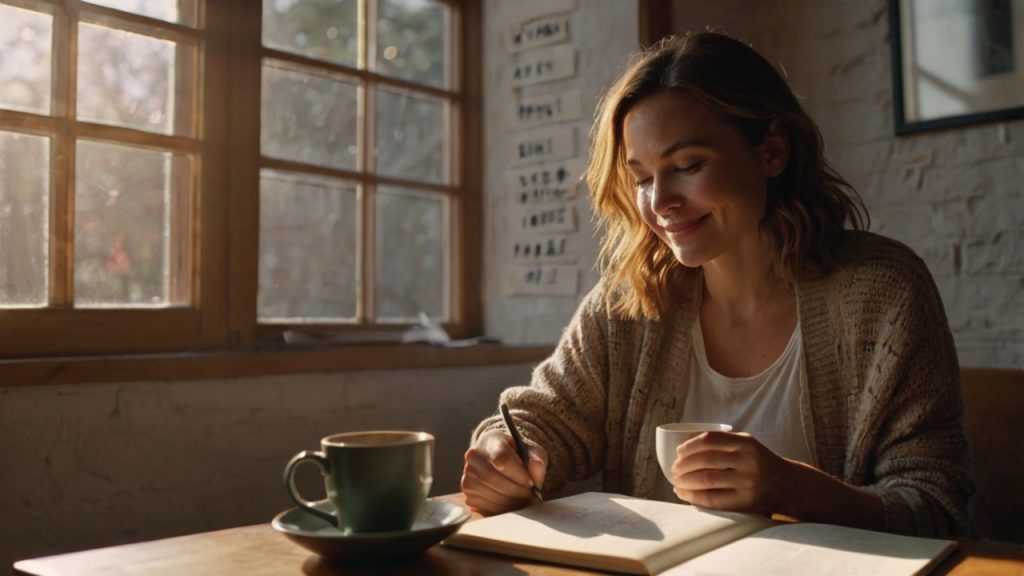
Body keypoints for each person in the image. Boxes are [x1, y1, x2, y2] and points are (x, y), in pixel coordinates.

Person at [461, 31, 972, 537]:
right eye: (641, 178)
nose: (659, 202)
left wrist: (792, 488)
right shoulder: (629, 304)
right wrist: (504, 453)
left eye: (687, 166)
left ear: (772, 152)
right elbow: (543, 416)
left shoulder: (884, 295)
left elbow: (938, 506)